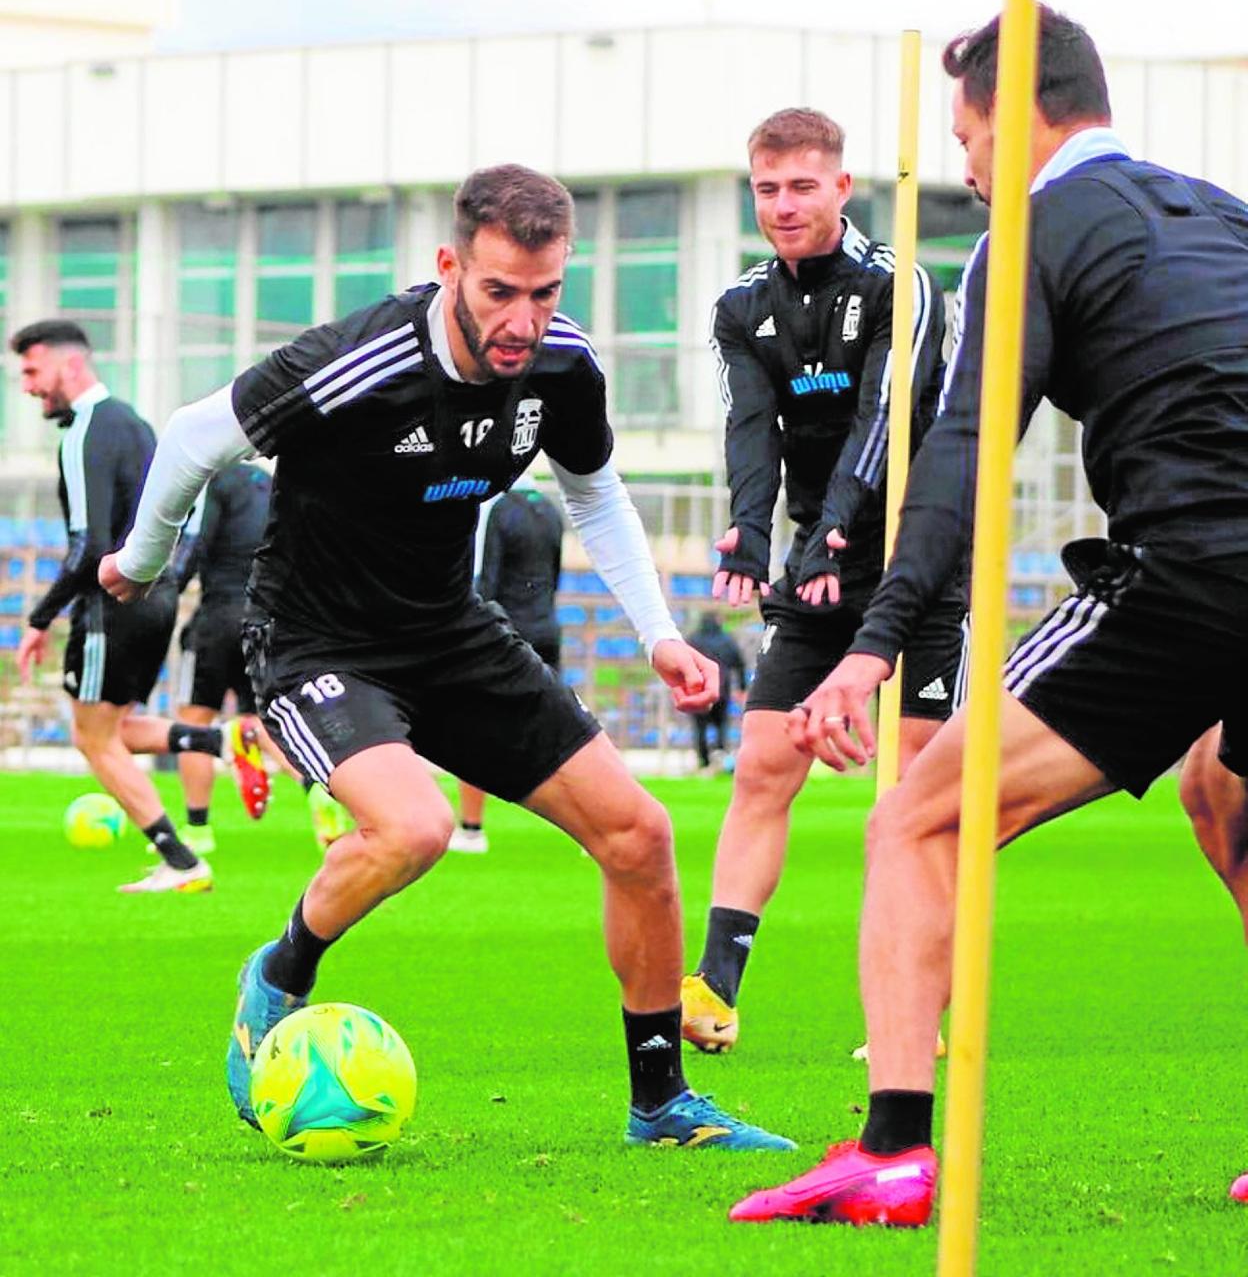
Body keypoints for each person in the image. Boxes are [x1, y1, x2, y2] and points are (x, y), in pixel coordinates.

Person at [100, 164, 795, 1152]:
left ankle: (661, 1104)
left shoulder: (561, 364)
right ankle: (283, 968)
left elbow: (594, 492)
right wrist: (140, 558)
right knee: (416, 824)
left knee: (639, 835)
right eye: (499, 291)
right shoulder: (358, 359)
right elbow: (193, 435)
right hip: (316, 639)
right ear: (449, 266)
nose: (524, 319)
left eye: (546, 291)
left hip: (450, 630)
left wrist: (659, 633)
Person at [730, 7, 1248, 1225]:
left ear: (1015, 119)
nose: (961, 165)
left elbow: (959, 460)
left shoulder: (1026, 234)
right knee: (1226, 789)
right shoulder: (1226, 215)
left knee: (915, 820)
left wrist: (870, 648)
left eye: (965, 135)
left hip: (1188, 568)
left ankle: (894, 1150)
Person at [681, 108, 966, 1055]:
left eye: (803, 186)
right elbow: (750, 429)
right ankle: (714, 988)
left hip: (915, 563)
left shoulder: (901, 284)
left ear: (844, 189)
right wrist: (748, 536)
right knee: (763, 763)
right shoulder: (742, 308)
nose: (783, 205)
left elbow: (880, 425)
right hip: (815, 568)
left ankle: (921, 1010)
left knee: (914, 797)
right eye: (767, 188)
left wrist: (838, 527)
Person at [9, 320, 256, 894]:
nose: (26, 386)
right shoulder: (135, 425)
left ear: (69, 365)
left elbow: (88, 546)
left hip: (113, 601)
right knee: (117, 726)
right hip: (157, 594)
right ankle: (220, 741)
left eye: (31, 370)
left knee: (92, 738)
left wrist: (40, 618)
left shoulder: (85, 431)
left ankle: (181, 860)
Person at [172, 462, 351, 852]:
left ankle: (197, 829)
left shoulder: (214, 481)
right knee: (262, 717)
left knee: (194, 716)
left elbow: (196, 541)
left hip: (217, 617)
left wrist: (170, 592)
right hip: (265, 621)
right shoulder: (275, 487)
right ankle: (314, 788)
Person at [448, 477, 565, 854]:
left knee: (472, 725)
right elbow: (555, 576)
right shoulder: (550, 510)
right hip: (547, 627)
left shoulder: (497, 508)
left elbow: (488, 580)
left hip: (508, 633)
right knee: (564, 729)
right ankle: (595, 820)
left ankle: (471, 829)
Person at [685, 611, 746, 774]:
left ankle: (704, 762)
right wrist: (741, 687)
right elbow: (740, 664)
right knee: (721, 726)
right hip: (721, 691)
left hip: (698, 690)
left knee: (700, 727)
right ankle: (720, 759)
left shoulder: (693, 639)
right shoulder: (727, 640)